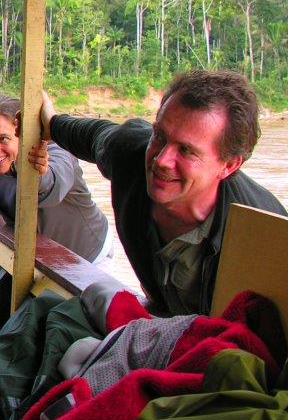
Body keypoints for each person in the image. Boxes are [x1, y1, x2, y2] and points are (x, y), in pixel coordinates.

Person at [41, 70, 286, 315]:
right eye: (159, 135)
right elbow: (91, 135)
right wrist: (51, 123)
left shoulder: (266, 235)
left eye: (186, 150)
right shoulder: (130, 152)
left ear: (229, 165)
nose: (161, 160)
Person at [0, 94, 111, 263]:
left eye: (3, 138)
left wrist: (29, 169)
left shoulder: (58, 149)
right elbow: (8, 213)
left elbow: (52, 185)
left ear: (23, 134)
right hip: (44, 255)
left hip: (90, 254)